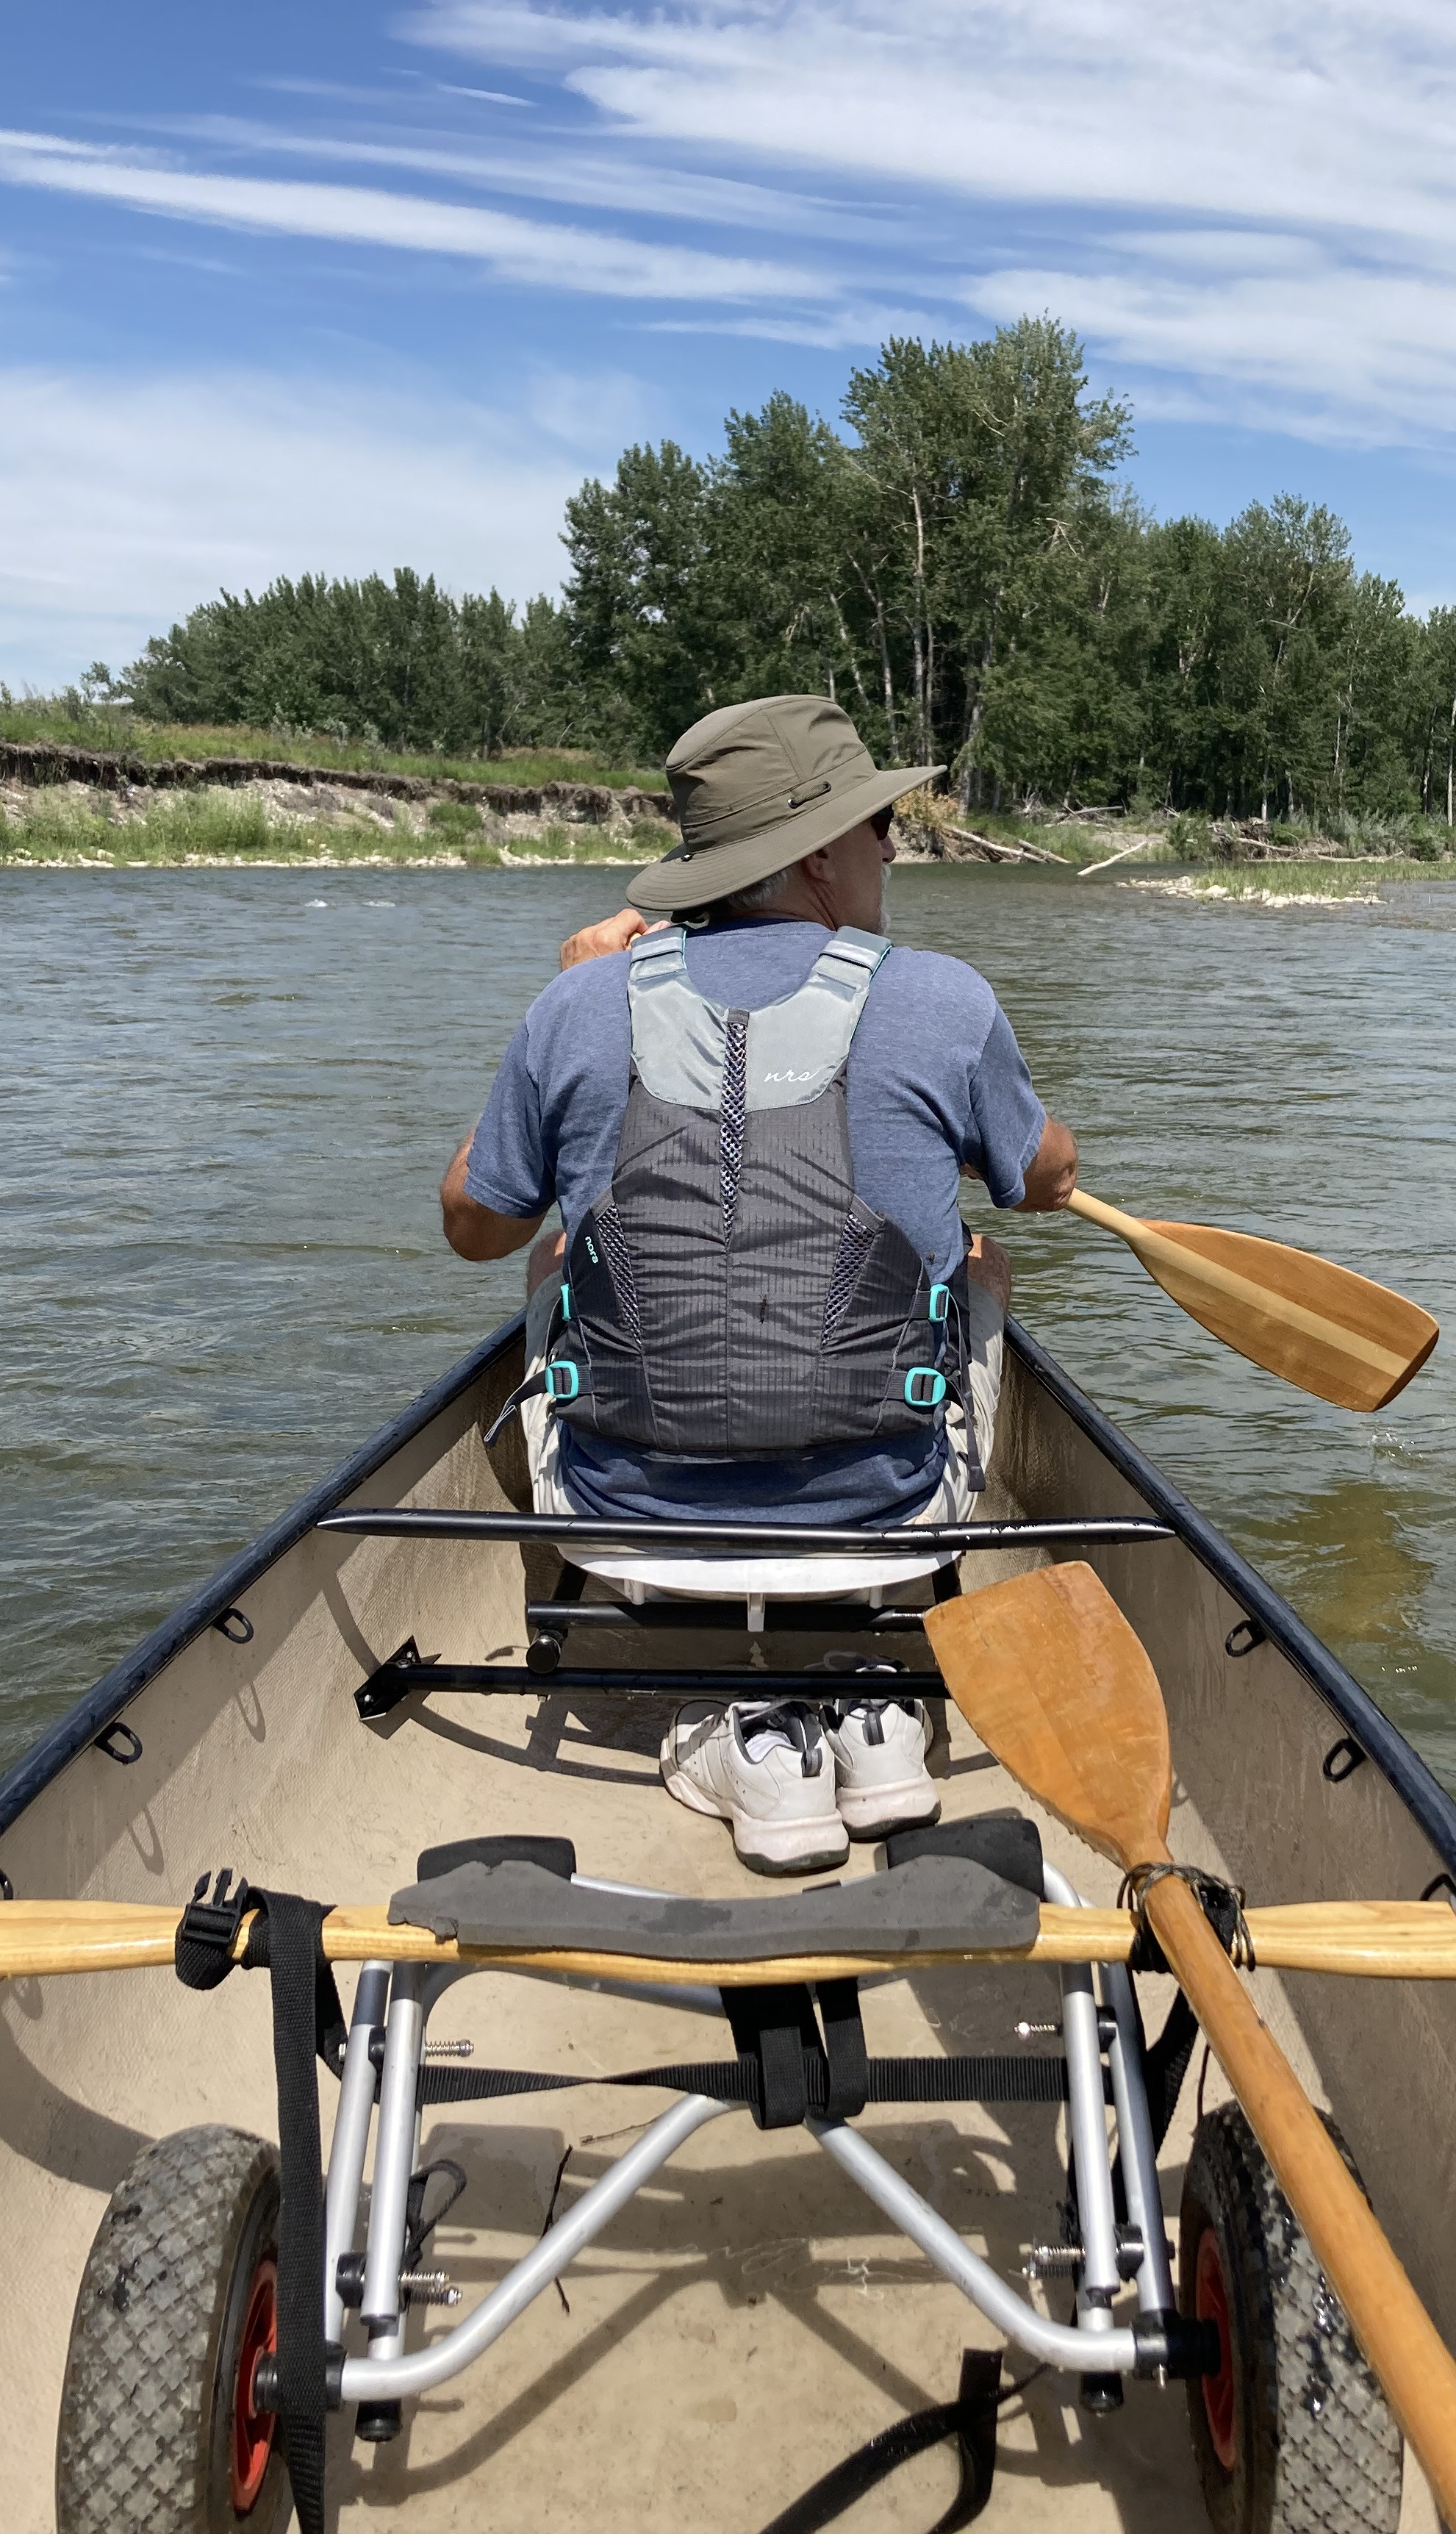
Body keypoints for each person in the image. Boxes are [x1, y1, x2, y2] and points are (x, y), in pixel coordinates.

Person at [440, 693, 1077, 1872]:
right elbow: (1046, 1182)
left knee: (548, 1254)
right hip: (887, 1521)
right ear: (819, 854)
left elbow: (472, 1228)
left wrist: (553, 1011)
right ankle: (874, 1704)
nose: (895, 847)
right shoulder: (945, 998)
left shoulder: (578, 1001)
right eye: (878, 826)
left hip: (625, 1527)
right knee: (983, 1263)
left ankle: (729, 1724)